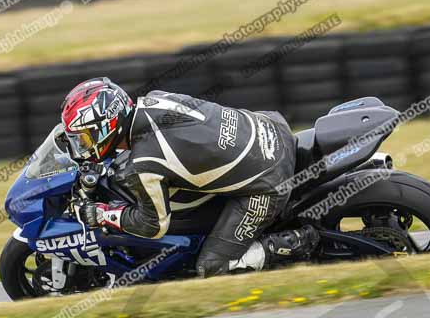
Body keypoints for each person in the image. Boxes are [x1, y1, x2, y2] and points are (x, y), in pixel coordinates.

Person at [60, 77, 319, 278]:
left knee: (214, 267)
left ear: (107, 125)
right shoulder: (155, 100)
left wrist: (104, 214)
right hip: (271, 127)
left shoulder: (145, 164)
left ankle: (297, 242)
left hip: (269, 181)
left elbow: (152, 225)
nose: (83, 146)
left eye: (83, 138)